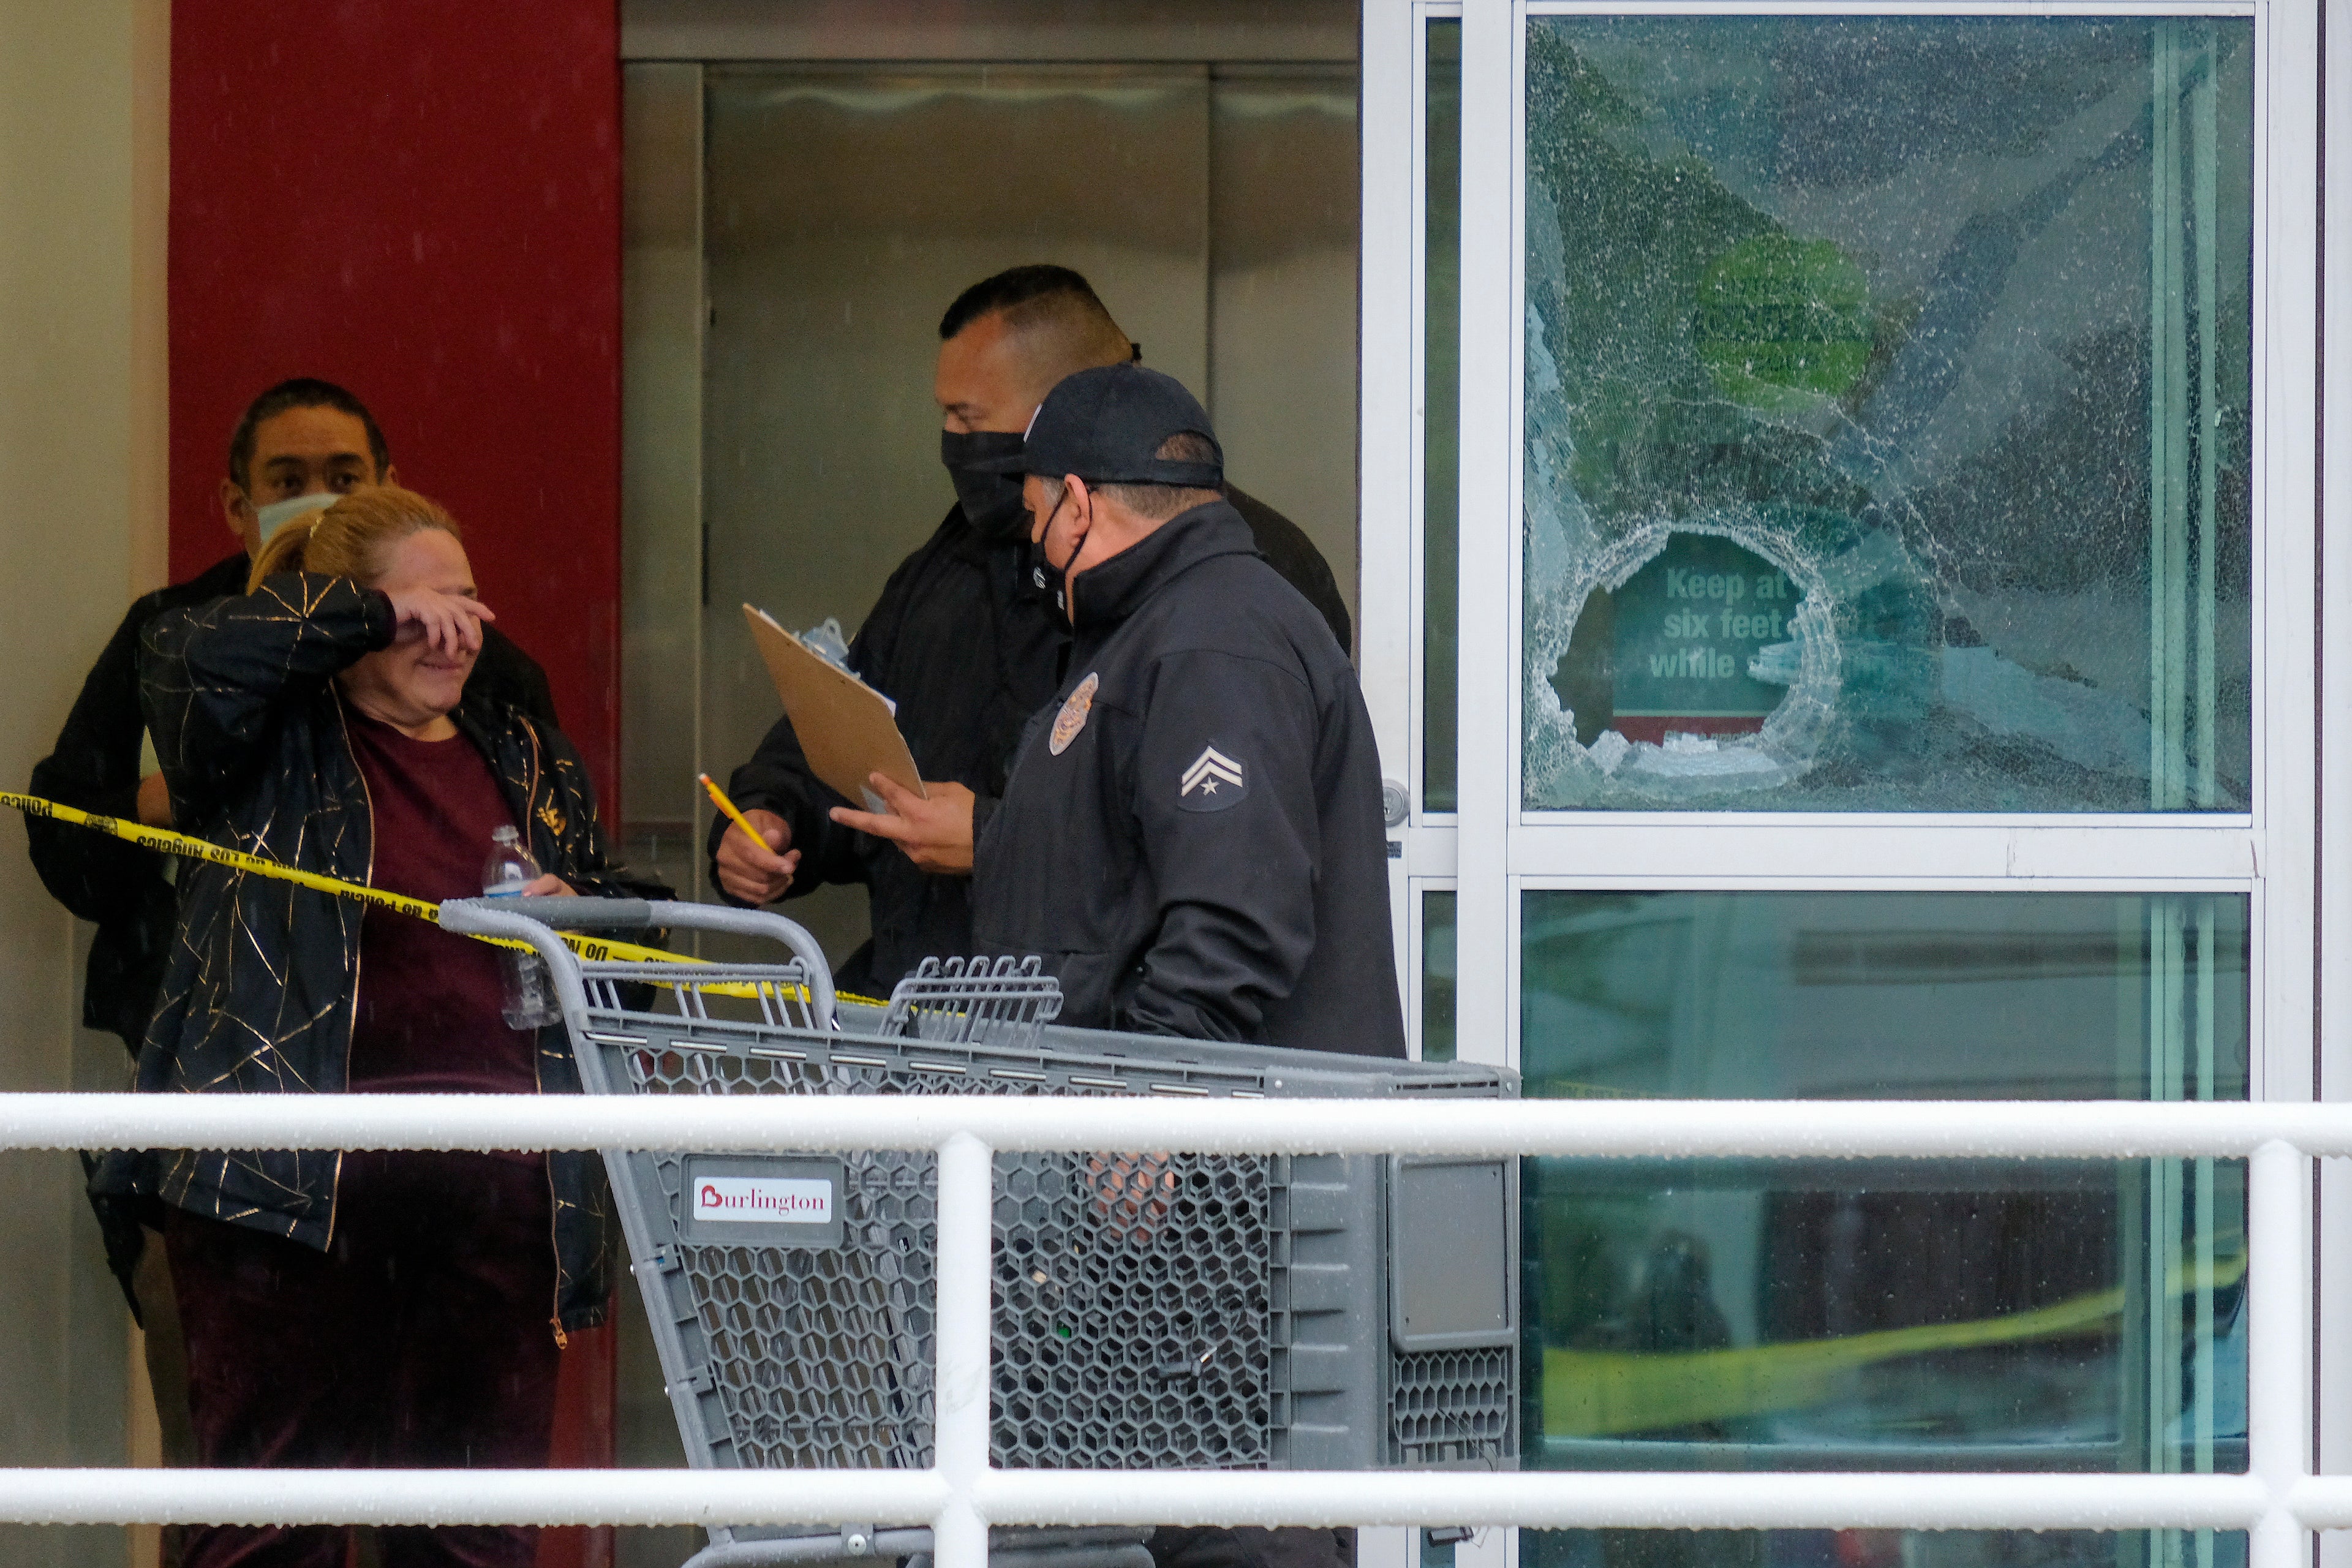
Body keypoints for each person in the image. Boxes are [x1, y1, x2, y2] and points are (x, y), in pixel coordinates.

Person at [93, 486, 644, 1568]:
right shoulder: (261, 739)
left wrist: (587, 915)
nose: (457, 630)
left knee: (472, 1539)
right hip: (284, 1193)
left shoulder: (522, 749)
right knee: (267, 1531)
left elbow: (638, 940)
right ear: (341, 614)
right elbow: (182, 654)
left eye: (471, 602)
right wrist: (369, 612)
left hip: (497, 1198)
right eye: (424, 608)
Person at [709, 265, 1351, 997]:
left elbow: (1221, 871)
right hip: (933, 1023)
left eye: (968, 418)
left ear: (1059, 422)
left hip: (1100, 1056)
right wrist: (777, 813)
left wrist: (992, 839)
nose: (949, 440)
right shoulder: (946, 566)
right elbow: (851, 725)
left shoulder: (1241, 590)